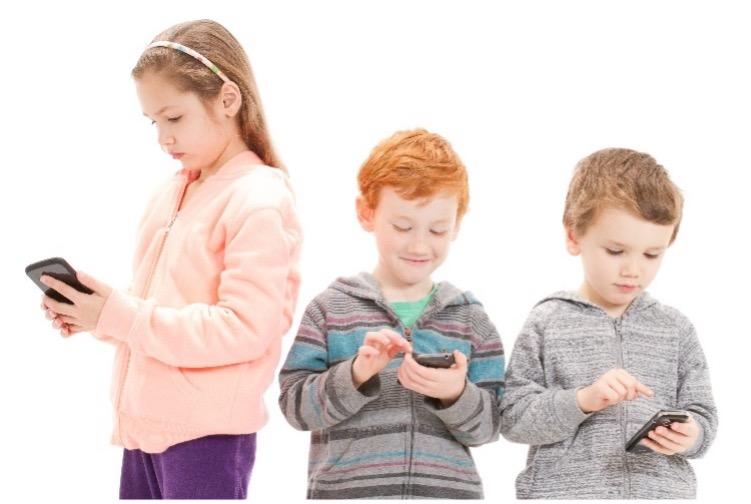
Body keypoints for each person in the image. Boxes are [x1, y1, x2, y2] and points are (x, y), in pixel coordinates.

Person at [39, 19, 302, 499]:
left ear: (228, 99)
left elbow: (247, 328)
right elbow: (156, 309)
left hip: (206, 438)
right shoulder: (174, 190)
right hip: (144, 431)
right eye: (153, 122)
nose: (163, 137)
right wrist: (97, 315)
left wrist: (121, 315)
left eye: (174, 118)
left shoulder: (258, 199)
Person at [278, 129, 504, 499]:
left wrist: (456, 393)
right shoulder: (330, 310)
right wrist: (355, 374)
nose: (419, 245)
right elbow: (294, 408)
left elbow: (491, 427)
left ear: (457, 225)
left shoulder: (470, 321)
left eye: (437, 230)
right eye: (402, 226)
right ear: (366, 213)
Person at [500, 148, 718, 499]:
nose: (633, 270)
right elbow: (513, 418)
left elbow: (703, 416)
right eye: (616, 251)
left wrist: (692, 435)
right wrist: (583, 400)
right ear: (574, 236)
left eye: (652, 254)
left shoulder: (676, 328)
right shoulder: (547, 321)